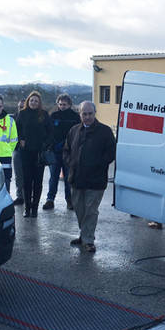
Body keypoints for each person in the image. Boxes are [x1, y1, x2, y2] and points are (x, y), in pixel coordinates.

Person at [63, 101, 116, 253]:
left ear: (95, 113)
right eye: (84, 114)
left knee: (91, 211)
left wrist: (97, 164)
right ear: (80, 114)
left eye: (90, 114)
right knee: (80, 210)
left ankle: (88, 240)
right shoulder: (74, 130)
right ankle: (84, 235)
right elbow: (66, 150)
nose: (87, 117)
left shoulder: (104, 131)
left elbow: (110, 153)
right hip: (76, 178)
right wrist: (70, 163)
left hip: (95, 180)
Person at [16, 91, 52, 218]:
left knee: (37, 182)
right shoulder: (22, 114)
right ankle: (27, 208)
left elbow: (50, 132)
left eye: (36, 101)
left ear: (39, 103)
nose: (33, 103)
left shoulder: (44, 115)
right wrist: (21, 139)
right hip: (26, 152)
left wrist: (45, 145)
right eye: (31, 100)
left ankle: (35, 208)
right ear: (28, 101)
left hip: (39, 153)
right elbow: (17, 130)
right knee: (27, 181)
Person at [42, 94, 81, 211]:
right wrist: (52, 144)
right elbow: (48, 132)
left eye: (64, 104)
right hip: (55, 151)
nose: (62, 106)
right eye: (60, 104)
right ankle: (50, 200)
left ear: (70, 105)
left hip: (69, 152)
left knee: (69, 178)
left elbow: (77, 134)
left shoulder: (75, 117)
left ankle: (70, 200)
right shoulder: (53, 116)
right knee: (53, 177)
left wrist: (68, 145)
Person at [12, 99, 26, 205]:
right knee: (18, 175)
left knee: (29, 175)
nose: (20, 109)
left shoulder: (31, 117)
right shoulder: (13, 118)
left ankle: (27, 196)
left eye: (22, 107)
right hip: (17, 150)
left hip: (29, 151)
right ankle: (19, 196)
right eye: (19, 107)